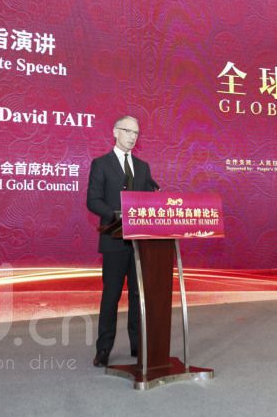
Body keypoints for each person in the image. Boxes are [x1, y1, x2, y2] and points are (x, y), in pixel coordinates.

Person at [86, 115, 157, 367]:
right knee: (111, 295)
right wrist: (117, 215)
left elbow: (149, 199)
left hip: (139, 242)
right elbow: (93, 200)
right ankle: (104, 348)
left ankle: (138, 345)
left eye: (136, 133)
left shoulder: (143, 167)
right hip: (114, 240)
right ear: (115, 132)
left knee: (138, 296)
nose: (132, 137)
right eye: (128, 131)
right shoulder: (101, 164)